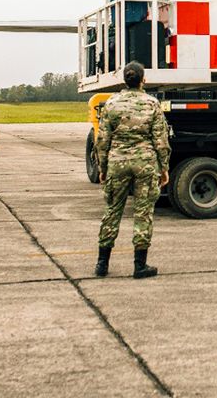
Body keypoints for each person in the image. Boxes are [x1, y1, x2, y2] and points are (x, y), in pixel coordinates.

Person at [94, 61, 171, 278]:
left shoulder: (111, 103)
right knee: (143, 212)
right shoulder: (152, 104)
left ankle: (102, 264)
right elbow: (160, 140)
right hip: (145, 163)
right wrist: (164, 167)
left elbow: (103, 140)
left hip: (117, 162)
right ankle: (140, 265)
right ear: (142, 80)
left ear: (124, 80)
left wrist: (103, 167)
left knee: (112, 210)